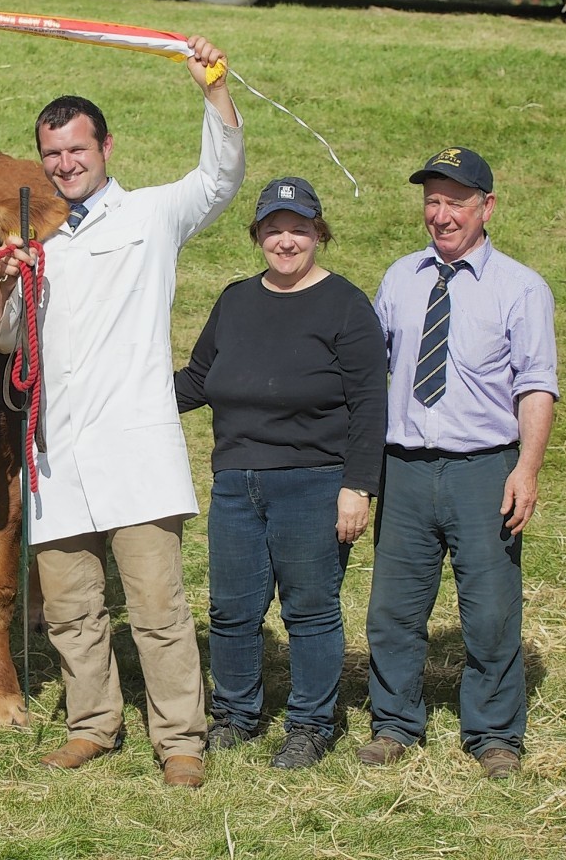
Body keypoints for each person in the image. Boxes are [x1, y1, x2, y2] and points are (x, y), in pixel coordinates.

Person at [0, 36, 244, 789]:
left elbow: (220, 178)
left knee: (159, 610)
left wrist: (212, 89)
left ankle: (181, 742)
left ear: (105, 147)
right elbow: (7, 339)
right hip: (57, 456)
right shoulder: (38, 237)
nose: (65, 164)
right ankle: (93, 725)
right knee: (70, 612)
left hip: (135, 453)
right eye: (53, 154)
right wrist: (10, 282)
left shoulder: (154, 215)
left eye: (76, 149)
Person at [174, 176, 386, 770]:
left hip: (314, 482)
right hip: (237, 483)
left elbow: (371, 405)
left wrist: (357, 486)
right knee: (232, 611)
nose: (285, 240)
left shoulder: (346, 305)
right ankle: (236, 715)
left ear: (319, 233)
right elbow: (198, 380)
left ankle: (311, 725)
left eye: (298, 229)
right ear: (257, 234)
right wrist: (126, 398)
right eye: (274, 229)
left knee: (310, 610)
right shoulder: (235, 299)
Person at [362, 147, 558, 779]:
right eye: (432, 201)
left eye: (455, 202)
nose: (441, 215)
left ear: (486, 207)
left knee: (492, 608)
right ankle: (394, 723)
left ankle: (495, 733)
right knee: (393, 607)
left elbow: (536, 386)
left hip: (484, 470)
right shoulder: (399, 278)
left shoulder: (521, 288)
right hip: (407, 468)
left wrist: (525, 470)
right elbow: (368, 375)